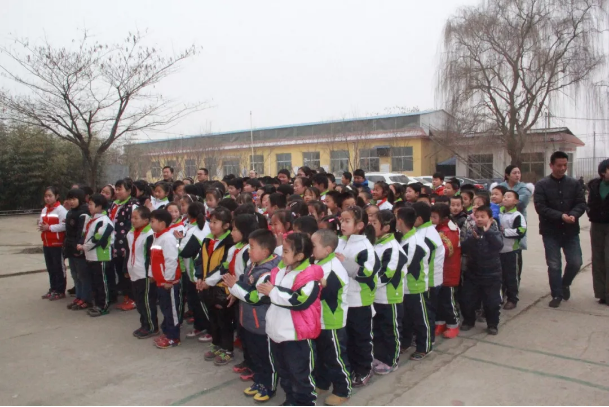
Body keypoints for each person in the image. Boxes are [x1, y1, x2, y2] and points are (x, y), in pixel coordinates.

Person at [258, 233, 324, 406]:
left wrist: (272, 291)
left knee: (300, 375)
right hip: (277, 334)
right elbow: (267, 291)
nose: (282, 255)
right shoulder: (281, 271)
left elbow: (299, 301)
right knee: (285, 373)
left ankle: (305, 403)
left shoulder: (309, 277)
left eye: (286, 251)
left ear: (300, 256)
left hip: (296, 337)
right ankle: (291, 400)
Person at [224, 229, 281, 402]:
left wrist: (234, 287)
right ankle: (259, 381)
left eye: (252, 247)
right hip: (249, 320)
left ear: (265, 251)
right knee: (255, 355)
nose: (249, 251)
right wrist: (236, 290)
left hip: (262, 324)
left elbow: (254, 298)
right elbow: (244, 281)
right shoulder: (254, 263)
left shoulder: (268, 272)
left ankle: (269, 387)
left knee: (266, 358)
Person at [534, 151, 586, 308]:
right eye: (559, 165)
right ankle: (556, 294)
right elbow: (540, 207)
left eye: (565, 165)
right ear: (551, 165)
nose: (562, 168)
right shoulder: (542, 185)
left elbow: (581, 203)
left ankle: (565, 284)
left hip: (570, 231)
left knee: (576, 262)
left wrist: (573, 215)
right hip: (550, 232)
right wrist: (560, 216)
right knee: (554, 264)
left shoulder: (574, 184)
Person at [335, 206, 379, 387]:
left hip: (360, 300)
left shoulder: (365, 247)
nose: (342, 224)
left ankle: (364, 369)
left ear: (359, 225)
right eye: (341, 220)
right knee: (348, 338)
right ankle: (353, 368)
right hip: (344, 299)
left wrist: (345, 263)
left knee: (361, 338)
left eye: (347, 221)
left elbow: (367, 273)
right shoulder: (340, 241)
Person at [311, 229, 351, 406]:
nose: (310, 248)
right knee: (321, 355)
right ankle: (322, 383)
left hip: (331, 321)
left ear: (327, 250)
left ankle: (343, 390)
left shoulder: (333, 269)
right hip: (319, 320)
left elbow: (322, 295)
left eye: (313, 245)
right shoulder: (319, 262)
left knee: (336, 357)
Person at [196, 207, 236, 364]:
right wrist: (199, 277)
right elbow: (200, 260)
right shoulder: (207, 240)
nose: (211, 225)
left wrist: (208, 281)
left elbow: (224, 267)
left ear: (226, 225)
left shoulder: (229, 243)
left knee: (224, 320)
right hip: (207, 286)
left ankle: (227, 349)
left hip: (221, 288)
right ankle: (216, 344)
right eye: (210, 222)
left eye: (215, 222)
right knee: (212, 318)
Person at [369, 210, 406, 375]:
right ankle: (379, 357)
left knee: (390, 330)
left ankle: (392, 360)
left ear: (385, 227)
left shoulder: (393, 248)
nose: (371, 226)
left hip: (390, 298)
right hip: (375, 297)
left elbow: (386, 274)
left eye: (374, 223)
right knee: (377, 329)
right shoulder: (376, 244)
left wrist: (367, 282)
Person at [460, 205, 503, 334]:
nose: (479, 219)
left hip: (491, 273)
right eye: (477, 216)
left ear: (490, 219)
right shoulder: (472, 231)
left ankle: (492, 324)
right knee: (467, 299)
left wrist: (488, 232)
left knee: (492, 302)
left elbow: (499, 245)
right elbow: (463, 248)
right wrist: (473, 239)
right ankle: (468, 321)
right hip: (473, 272)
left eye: (482, 216)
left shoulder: (494, 231)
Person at [396, 207, 431, 356]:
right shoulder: (404, 238)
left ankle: (424, 347)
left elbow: (405, 266)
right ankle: (406, 342)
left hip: (416, 287)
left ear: (400, 221)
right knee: (406, 318)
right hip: (404, 287)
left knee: (420, 319)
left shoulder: (414, 243)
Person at [412, 201, 445, 352]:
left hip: (430, 280)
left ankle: (428, 341)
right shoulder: (423, 231)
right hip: (428, 279)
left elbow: (424, 260)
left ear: (419, 219)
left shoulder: (425, 235)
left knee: (427, 313)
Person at [148, 209, 182, 348]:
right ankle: (167, 332)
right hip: (160, 282)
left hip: (169, 283)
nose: (150, 224)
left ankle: (174, 337)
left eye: (152, 221)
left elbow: (171, 260)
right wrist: (151, 274)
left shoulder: (168, 238)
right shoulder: (157, 237)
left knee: (172, 311)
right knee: (165, 309)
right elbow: (153, 259)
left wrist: (168, 280)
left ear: (162, 223)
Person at [179, 202, 212, 342]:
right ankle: (200, 326)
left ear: (189, 214)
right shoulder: (197, 225)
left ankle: (210, 330)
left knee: (202, 304)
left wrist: (177, 241)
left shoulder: (197, 230)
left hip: (196, 272)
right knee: (195, 303)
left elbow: (185, 251)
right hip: (194, 271)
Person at [78, 194, 114, 317]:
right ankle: (97, 304)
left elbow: (97, 239)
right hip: (91, 256)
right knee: (94, 282)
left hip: (101, 256)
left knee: (101, 283)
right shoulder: (91, 220)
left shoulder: (104, 221)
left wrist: (84, 247)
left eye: (91, 204)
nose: (89, 207)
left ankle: (103, 306)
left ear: (99, 207)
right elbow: (85, 235)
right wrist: (81, 244)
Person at [125, 206, 158, 338]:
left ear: (146, 220)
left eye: (136, 218)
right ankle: (144, 324)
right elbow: (128, 252)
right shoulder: (130, 233)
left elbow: (151, 257)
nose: (133, 220)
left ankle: (152, 326)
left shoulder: (150, 234)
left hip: (145, 274)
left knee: (147, 302)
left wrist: (150, 273)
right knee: (139, 301)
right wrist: (126, 268)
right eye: (132, 218)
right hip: (134, 271)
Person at [431, 204, 462, 339]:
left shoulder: (449, 231)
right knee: (438, 300)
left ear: (443, 217)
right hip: (439, 271)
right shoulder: (438, 228)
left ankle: (453, 324)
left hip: (449, 271)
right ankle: (440, 323)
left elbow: (447, 251)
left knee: (448, 301)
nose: (431, 219)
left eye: (434, 217)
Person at [110, 179, 139, 311]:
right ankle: (127, 297)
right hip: (115, 244)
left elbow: (134, 225)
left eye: (120, 189)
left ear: (128, 190)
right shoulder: (114, 204)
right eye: (116, 189)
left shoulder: (132, 205)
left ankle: (133, 299)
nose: (117, 192)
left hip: (126, 244)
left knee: (128, 272)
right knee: (121, 272)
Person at [63, 188, 91, 310]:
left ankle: (86, 299)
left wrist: (78, 247)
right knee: (75, 275)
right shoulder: (70, 212)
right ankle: (79, 297)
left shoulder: (84, 213)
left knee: (83, 275)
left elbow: (82, 233)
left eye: (74, 199)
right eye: (69, 199)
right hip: (70, 248)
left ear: (80, 199)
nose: (71, 202)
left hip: (79, 250)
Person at [39, 186, 68, 301]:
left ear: (57, 196)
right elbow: (41, 222)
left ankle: (60, 290)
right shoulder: (44, 210)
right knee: (50, 268)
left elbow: (64, 226)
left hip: (57, 244)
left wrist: (49, 227)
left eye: (50, 196)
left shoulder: (61, 210)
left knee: (59, 268)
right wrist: (41, 225)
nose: (47, 198)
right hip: (47, 243)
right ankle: (53, 288)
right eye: (46, 196)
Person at [499, 190, 527, 310]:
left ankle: (512, 298)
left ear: (516, 201)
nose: (505, 198)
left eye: (509, 197)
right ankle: (500, 297)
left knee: (511, 276)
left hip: (511, 250)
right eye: (504, 196)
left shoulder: (517, 216)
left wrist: (504, 231)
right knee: (499, 276)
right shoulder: (498, 213)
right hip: (497, 251)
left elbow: (521, 231)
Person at [588, 159, 609, 304]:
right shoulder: (595, 186)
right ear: (603, 171)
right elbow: (589, 204)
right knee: (598, 259)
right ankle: (601, 293)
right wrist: (590, 212)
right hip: (596, 225)